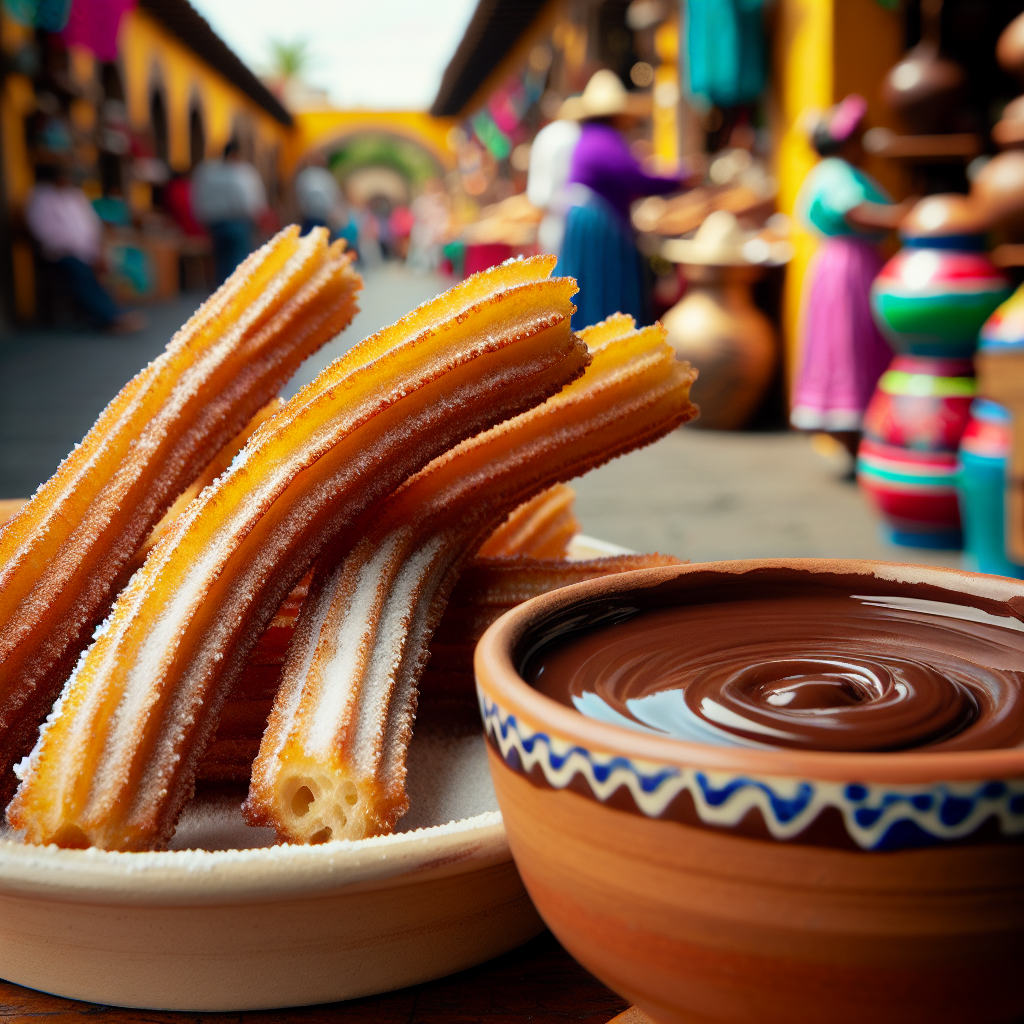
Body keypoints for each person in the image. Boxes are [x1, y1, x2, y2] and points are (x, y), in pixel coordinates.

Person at [789, 94, 917, 457]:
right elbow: (855, 211)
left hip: (844, 267)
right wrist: (904, 216)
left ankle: (857, 438)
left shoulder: (835, 172)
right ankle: (855, 438)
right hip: (848, 270)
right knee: (850, 343)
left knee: (850, 344)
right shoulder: (836, 173)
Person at [554, 70, 685, 328]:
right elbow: (637, 179)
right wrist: (682, 178)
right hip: (598, 224)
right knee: (604, 285)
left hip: (585, 220)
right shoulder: (605, 140)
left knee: (587, 286)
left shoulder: (590, 138)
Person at [25, 163, 144, 333]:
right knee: (79, 271)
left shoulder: (75, 196)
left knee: (102, 269)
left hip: (86, 252)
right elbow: (43, 231)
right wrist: (76, 249)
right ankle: (108, 317)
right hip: (59, 253)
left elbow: (92, 227)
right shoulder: (42, 197)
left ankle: (112, 313)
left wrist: (97, 252)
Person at [191, 139, 267, 285]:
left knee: (221, 260)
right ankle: (235, 290)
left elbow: (199, 196)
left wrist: (202, 218)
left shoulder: (207, 171)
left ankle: (222, 289)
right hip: (238, 222)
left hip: (216, 223)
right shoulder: (243, 172)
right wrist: (257, 216)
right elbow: (250, 199)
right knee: (237, 260)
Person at [527, 116, 581, 257]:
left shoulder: (547, 134)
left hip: (554, 227)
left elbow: (538, 197)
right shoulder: (572, 134)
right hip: (570, 224)